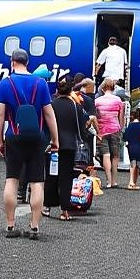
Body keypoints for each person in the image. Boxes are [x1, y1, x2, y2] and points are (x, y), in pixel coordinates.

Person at [0, 48, 58, 241]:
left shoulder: (5, 84)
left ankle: (11, 225)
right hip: (36, 138)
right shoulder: (41, 83)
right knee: (37, 181)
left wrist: (0, 141)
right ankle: (34, 226)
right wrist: (55, 140)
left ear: (12, 62)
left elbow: (0, 116)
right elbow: (49, 114)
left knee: (11, 180)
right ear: (27, 62)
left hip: (14, 136)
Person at [45, 78, 85, 221]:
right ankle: (65, 210)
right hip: (69, 145)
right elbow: (81, 128)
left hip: (52, 146)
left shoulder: (50, 105)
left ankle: (47, 207)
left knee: (51, 176)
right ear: (70, 90)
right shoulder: (76, 106)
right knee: (66, 178)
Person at [93, 78, 125, 188]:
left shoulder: (97, 101)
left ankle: (108, 181)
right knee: (115, 156)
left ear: (103, 88)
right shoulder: (118, 100)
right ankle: (115, 180)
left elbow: (95, 117)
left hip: (102, 130)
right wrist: (120, 128)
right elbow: (121, 118)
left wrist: (97, 131)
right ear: (113, 87)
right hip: (115, 129)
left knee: (106, 155)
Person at [123, 115, 140, 190]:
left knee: (132, 164)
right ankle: (132, 182)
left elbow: (124, 137)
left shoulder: (130, 126)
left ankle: (132, 183)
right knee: (137, 166)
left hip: (131, 146)